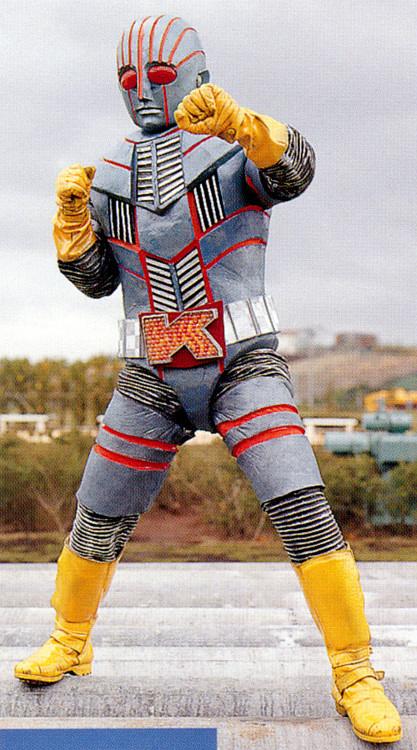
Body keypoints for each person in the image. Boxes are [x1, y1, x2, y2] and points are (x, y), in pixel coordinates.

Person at [15, 14, 401, 744]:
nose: (144, 92)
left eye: (159, 76)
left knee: (300, 506)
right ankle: (70, 638)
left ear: (195, 74)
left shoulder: (233, 149)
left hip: (241, 363)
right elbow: (98, 281)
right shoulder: (107, 177)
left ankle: (355, 670)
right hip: (151, 372)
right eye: (129, 80)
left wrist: (243, 123)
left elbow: (292, 172)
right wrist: (71, 225)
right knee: (97, 512)